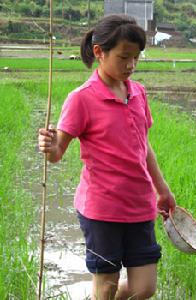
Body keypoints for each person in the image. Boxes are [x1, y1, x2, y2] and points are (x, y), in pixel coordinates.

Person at [38, 14, 176, 300]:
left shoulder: (138, 92)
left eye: (137, 58)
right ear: (99, 52)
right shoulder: (81, 98)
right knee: (107, 285)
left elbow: (144, 146)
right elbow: (57, 153)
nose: (131, 65)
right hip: (102, 208)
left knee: (144, 287)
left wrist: (162, 190)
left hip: (139, 205)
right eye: (124, 57)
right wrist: (49, 146)